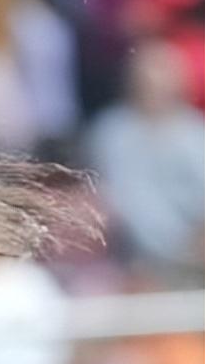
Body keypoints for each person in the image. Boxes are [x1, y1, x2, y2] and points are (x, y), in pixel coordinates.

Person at [86, 40, 205, 278]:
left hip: (193, 257)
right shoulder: (110, 132)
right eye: (145, 80)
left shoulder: (195, 134)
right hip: (127, 262)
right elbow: (103, 196)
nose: (152, 87)